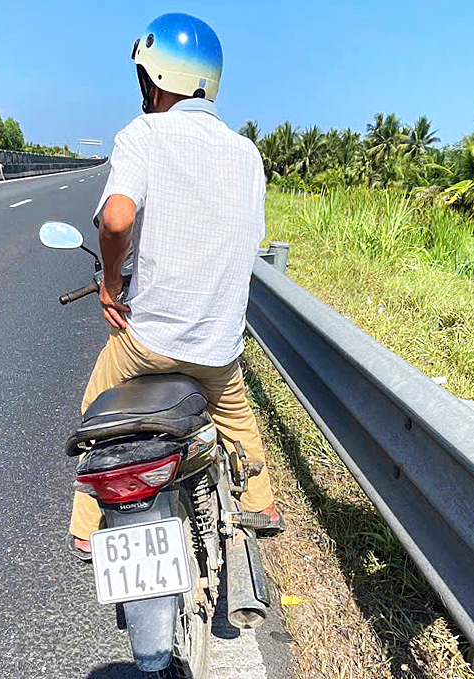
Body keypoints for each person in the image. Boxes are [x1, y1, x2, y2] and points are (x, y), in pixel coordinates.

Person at [68, 12, 284, 560]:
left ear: (154, 79)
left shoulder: (143, 134)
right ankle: (260, 502)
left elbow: (116, 221)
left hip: (149, 345)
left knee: (97, 403)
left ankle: (88, 526)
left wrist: (111, 285)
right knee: (237, 415)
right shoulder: (248, 155)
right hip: (217, 349)